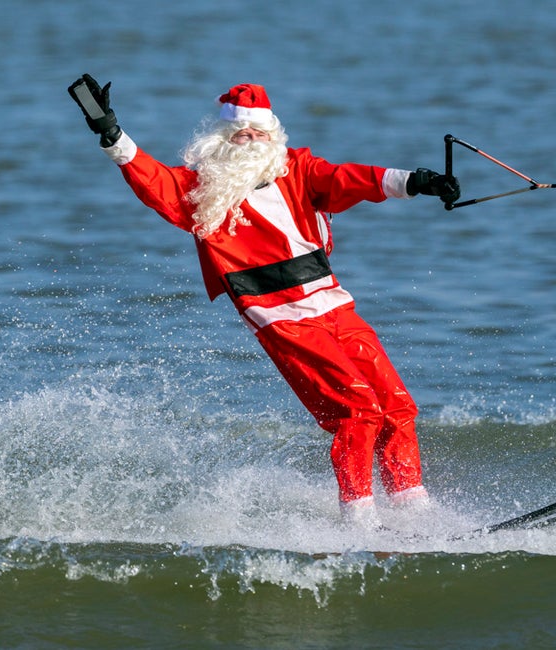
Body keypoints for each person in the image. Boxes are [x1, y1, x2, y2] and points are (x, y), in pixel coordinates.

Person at [68, 74, 460, 530]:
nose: (249, 140)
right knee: (356, 409)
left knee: (396, 404)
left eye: (257, 133)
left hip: (331, 303)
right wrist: (112, 134)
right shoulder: (203, 189)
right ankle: (359, 521)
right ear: (221, 138)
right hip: (277, 316)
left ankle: (412, 508)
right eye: (240, 133)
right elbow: (152, 181)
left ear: (272, 135)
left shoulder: (298, 169)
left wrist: (417, 181)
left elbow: (350, 179)